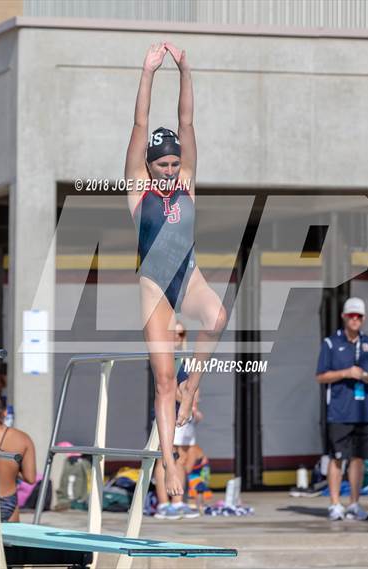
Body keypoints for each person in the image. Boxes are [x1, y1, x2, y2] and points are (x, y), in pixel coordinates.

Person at [126, 42, 226, 496]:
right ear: (148, 167)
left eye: (173, 163)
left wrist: (185, 67)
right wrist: (148, 73)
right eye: (161, 164)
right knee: (164, 381)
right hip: (153, 284)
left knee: (217, 317)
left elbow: (186, 121)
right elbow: (140, 123)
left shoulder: (186, 182)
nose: (169, 170)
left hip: (186, 273)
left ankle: (195, 385)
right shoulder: (139, 190)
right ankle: (166, 465)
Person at [316, 297, 368, 521]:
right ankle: (335, 504)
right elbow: (320, 376)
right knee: (337, 458)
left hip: (363, 411)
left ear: (363, 319)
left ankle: (354, 504)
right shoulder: (331, 343)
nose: (355, 319)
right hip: (339, 411)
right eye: (351, 315)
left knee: (358, 459)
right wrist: (346, 373)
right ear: (344, 317)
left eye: (359, 316)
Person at [154, 322, 200, 519]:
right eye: (172, 333)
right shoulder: (165, 358)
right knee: (165, 457)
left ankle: (177, 501)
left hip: (182, 416)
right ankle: (164, 504)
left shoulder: (183, 358)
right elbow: (169, 389)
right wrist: (189, 401)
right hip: (167, 415)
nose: (176, 337)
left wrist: (191, 402)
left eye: (180, 334)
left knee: (181, 458)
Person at [0, 395, 36, 521]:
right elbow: (30, 478)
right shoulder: (23, 438)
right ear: (5, 412)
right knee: (8, 539)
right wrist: (13, 469)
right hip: (8, 501)